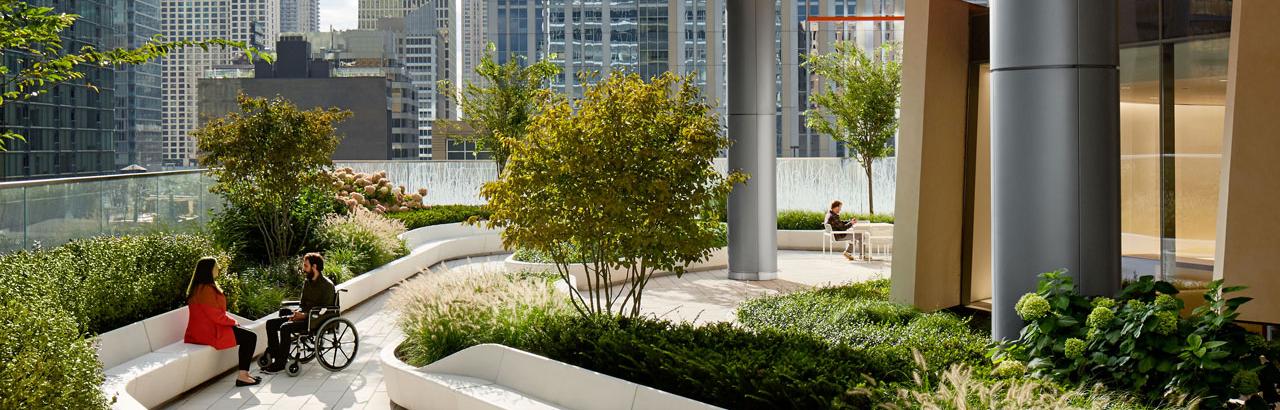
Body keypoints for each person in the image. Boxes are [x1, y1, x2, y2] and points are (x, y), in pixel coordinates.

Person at [184, 257, 262, 387]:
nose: (218, 268)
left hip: (207, 329)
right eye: (216, 266)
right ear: (209, 270)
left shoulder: (201, 288)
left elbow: (215, 315)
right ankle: (243, 376)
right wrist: (233, 322)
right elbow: (215, 316)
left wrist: (232, 323)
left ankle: (245, 375)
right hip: (209, 331)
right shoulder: (205, 290)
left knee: (248, 336)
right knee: (250, 337)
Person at [261, 252, 336, 374]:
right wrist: (297, 313)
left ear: (314, 267)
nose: (303, 269)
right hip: (303, 317)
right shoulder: (308, 282)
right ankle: (275, 355)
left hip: (315, 321)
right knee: (271, 323)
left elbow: (325, 310)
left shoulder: (327, 286)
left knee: (285, 328)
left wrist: (304, 315)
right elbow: (302, 304)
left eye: (306, 266)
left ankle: (280, 363)